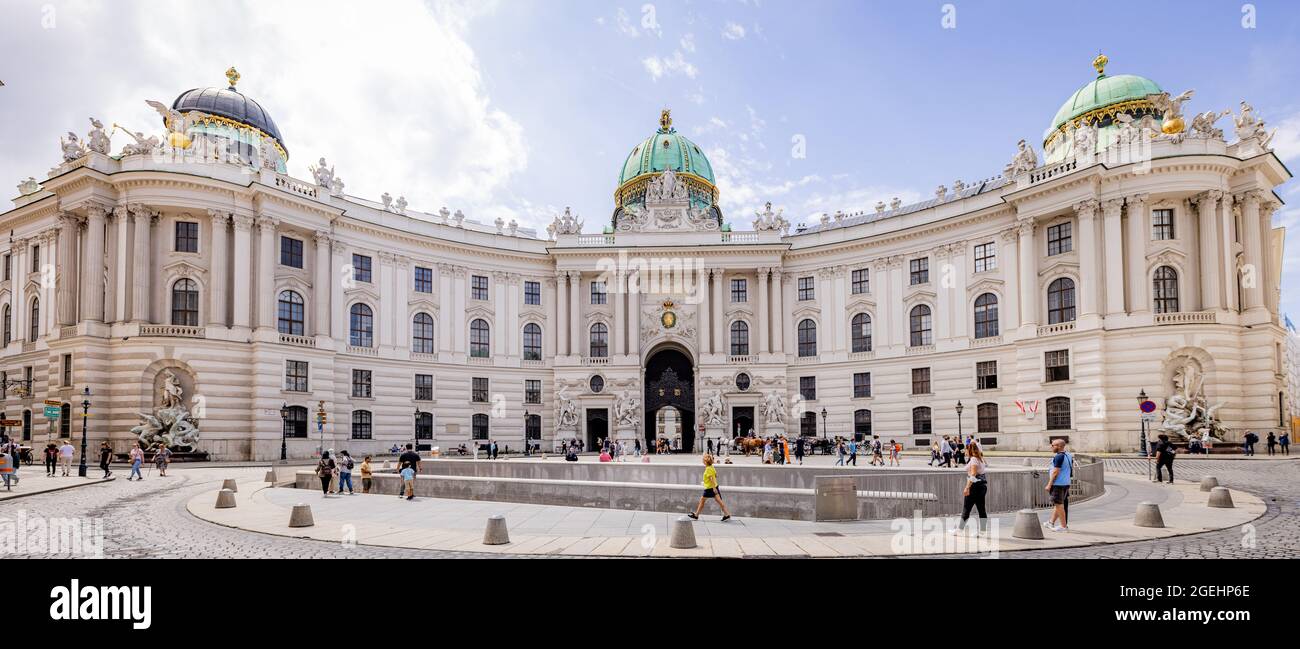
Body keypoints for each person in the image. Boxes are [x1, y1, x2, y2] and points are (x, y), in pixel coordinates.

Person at [951, 441, 989, 534]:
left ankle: (960, 529)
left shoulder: (974, 460)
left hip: (974, 487)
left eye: (966, 450)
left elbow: (973, 474)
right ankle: (983, 531)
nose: (965, 451)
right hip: (982, 486)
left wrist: (967, 487)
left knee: (966, 508)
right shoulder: (980, 459)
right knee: (981, 509)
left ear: (969, 450)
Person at [687, 453, 731, 522]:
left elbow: (711, 479)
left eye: (703, 460)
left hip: (710, 488)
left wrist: (713, 488)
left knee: (702, 501)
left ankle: (696, 515)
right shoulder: (712, 467)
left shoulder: (708, 469)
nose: (702, 462)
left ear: (705, 462)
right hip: (714, 487)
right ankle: (727, 514)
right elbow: (716, 475)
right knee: (719, 501)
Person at [1045, 438, 1072, 532]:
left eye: (1053, 445)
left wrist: (1049, 484)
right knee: (1059, 504)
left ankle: (1063, 526)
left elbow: (1056, 472)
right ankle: (1051, 522)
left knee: (1059, 505)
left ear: (1059, 446)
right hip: (1066, 483)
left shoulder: (1059, 456)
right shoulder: (1068, 455)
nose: (1051, 447)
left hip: (1058, 484)